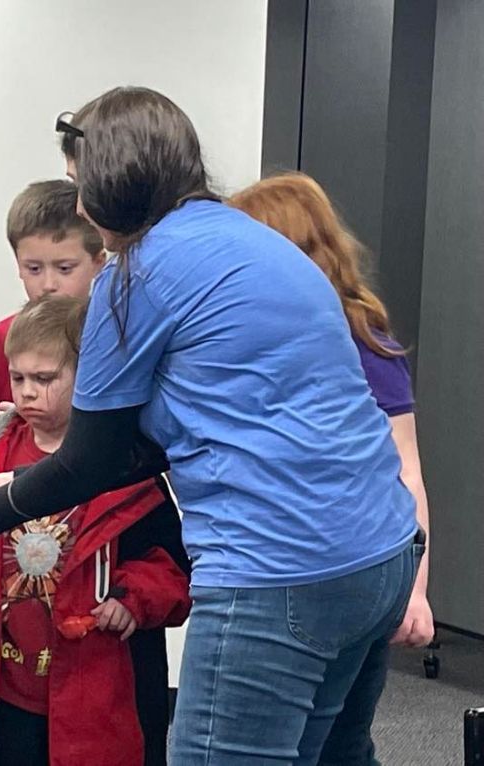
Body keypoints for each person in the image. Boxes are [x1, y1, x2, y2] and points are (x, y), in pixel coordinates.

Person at [0, 87, 421, 765]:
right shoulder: (257, 243)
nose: (80, 208)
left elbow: (91, 460)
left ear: (112, 185)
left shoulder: (135, 277)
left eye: (81, 186)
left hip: (278, 568)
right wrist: (19, 483)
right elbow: (157, 441)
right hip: (382, 552)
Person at [0, 295, 190, 766]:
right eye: (18, 378)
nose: (27, 393)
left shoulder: (127, 470)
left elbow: (173, 571)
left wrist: (133, 598)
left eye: (45, 379)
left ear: (88, 377)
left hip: (91, 696)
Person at [228, 171, 433, 764]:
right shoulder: (259, 342)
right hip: (310, 569)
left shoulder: (361, 339)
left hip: (357, 567)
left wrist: (416, 590)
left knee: (338, 745)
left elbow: (406, 472)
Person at [0, 179, 105, 426]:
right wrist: (11, 430)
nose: (48, 284)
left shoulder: (115, 340)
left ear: (99, 263)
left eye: (65, 268)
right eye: (34, 268)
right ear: (18, 266)